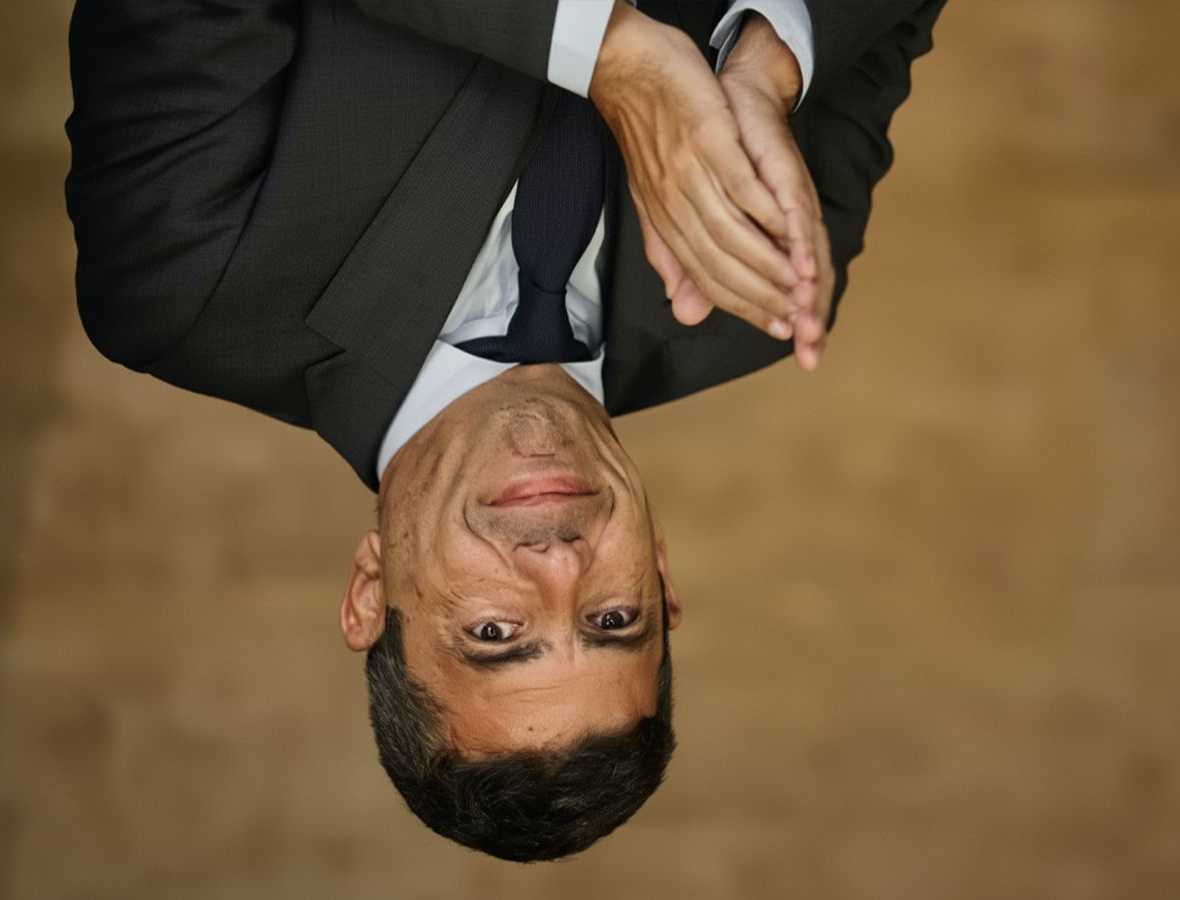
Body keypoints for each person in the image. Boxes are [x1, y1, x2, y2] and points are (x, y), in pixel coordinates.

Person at [66, 0, 943, 861]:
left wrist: (609, 53)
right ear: (663, 576)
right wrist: (775, 53)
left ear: (371, 592)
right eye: (613, 617)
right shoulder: (764, 287)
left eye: (494, 634)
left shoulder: (186, 284)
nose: (557, 565)